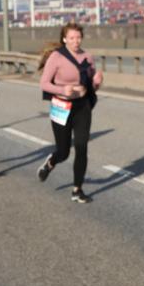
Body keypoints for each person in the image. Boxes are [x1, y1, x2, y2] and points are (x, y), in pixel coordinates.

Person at [36, 23, 103, 204]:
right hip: (61, 106)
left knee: (82, 147)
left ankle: (77, 190)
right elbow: (44, 83)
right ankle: (51, 162)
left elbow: (91, 86)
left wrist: (97, 82)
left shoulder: (88, 57)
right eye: (71, 38)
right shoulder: (56, 57)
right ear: (64, 39)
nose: (75, 41)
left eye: (78, 37)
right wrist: (62, 89)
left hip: (82, 107)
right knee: (64, 151)